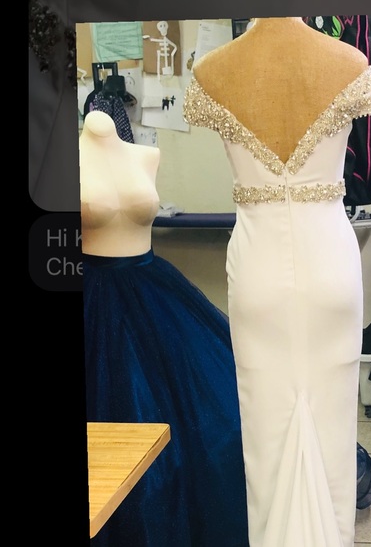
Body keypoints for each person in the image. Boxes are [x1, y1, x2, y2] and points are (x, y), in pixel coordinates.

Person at [183, 16, 371, 546]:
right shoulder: (348, 62)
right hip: (330, 264)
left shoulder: (215, 69)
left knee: (266, 436)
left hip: (260, 267)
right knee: (331, 430)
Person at [80, 110, 250, 546]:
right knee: (110, 434)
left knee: (215, 423)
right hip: (94, 299)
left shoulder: (145, 155)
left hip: (154, 293)